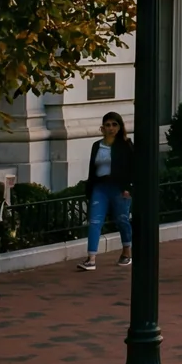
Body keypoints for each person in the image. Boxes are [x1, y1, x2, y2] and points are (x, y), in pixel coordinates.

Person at [79, 110, 133, 271]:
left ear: (120, 126)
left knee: (122, 219)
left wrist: (128, 188)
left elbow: (132, 168)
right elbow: (92, 168)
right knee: (95, 221)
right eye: (108, 125)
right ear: (102, 127)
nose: (111, 128)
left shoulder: (125, 145)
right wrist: (89, 189)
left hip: (119, 188)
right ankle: (91, 258)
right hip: (100, 187)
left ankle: (127, 252)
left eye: (114, 125)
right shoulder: (97, 145)